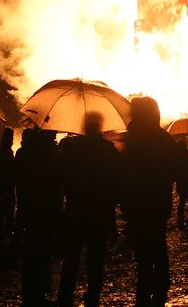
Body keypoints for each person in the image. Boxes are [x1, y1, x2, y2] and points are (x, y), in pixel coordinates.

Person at [55, 113, 122, 307]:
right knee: (96, 257)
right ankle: (93, 296)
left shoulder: (71, 148)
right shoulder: (109, 151)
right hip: (100, 210)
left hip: (76, 208)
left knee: (71, 257)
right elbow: (118, 180)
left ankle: (65, 296)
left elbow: (58, 176)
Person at [120, 96, 178, 307]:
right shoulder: (164, 139)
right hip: (158, 201)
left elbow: (125, 172)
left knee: (143, 250)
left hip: (140, 202)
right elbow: (173, 171)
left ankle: (147, 288)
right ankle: (160, 286)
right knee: (157, 245)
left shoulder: (134, 140)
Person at [14, 128, 60, 307]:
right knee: (40, 251)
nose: (54, 139)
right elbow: (54, 183)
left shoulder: (24, 153)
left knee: (34, 251)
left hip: (30, 208)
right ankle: (37, 293)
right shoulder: (46, 157)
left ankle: (32, 291)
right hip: (42, 209)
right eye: (52, 136)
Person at [0, 127, 17, 241]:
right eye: (11, 137)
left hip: (6, 182)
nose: (12, 140)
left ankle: (2, 230)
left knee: (6, 205)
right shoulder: (5, 152)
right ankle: (4, 231)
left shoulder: (5, 150)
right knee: (6, 205)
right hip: (6, 182)